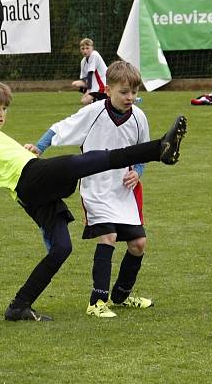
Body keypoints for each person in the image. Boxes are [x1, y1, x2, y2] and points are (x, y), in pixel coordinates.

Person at [0, 80, 187, 321]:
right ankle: (158, 150)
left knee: (62, 248)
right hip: (30, 178)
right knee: (84, 162)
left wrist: (32, 148)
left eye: (4, 108)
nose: (1, 114)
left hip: (31, 193)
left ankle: (19, 306)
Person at [28, 61, 153, 318]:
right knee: (107, 238)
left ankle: (121, 296)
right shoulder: (94, 112)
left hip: (122, 192)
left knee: (138, 243)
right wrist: (39, 148)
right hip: (95, 189)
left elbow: (143, 153)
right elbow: (60, 128)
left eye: (134, 92)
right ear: (108, 90)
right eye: (124, 92)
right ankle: (96, 302)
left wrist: (137, 172)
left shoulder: (139, 118)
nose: (130, 97)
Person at [71, 38, 108, 105]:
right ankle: (95, 98)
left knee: (84, 101)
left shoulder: (94, 55)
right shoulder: (83, 61)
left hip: (102, 84)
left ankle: (105, 96)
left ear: (92, 48)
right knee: (75, 84)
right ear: (80, 49)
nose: (85, 50)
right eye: (83, 48)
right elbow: (84, 77)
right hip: (94, 85)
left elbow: (90, 74)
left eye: (87, 48)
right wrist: (87, 85)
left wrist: (88, 90)